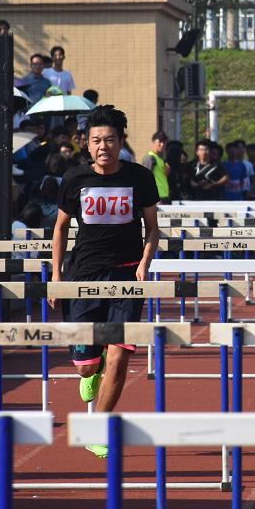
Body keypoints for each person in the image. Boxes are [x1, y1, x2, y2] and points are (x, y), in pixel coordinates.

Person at [50, 105, 160, 459]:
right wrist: (56, 275)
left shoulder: (140, 177)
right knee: (86, 363)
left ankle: (98, 427)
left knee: (120, 353)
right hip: (83, 273)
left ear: (121, 142)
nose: (103, 146)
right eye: (97, 140)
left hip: (126, 274)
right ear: (87, 143)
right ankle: (90, 369)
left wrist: (144, 263)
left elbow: (153, 228)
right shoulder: (75, 179)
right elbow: (60, 228)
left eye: (110, 140)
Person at [140, 131, 170, 203]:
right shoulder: (150, 158)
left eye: (164, 142)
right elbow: (145, 180)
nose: (162, 144)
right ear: (154, 142)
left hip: (163, 196)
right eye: (160, 142)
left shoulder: (161, 158)